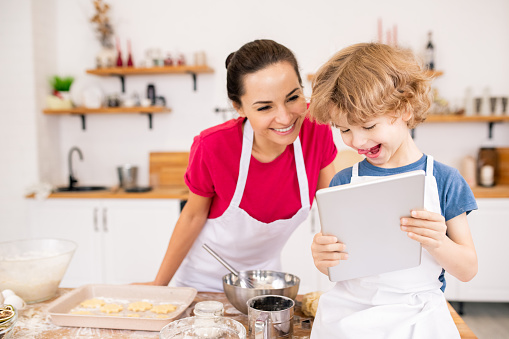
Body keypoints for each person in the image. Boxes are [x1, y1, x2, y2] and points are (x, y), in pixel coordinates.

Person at [308, 43, 478, 338]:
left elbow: (467, 269)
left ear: (404, 109)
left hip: (418, 318)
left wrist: (438, 242)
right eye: (344, 129)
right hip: (350, 317)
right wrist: (323, 259)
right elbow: (338, 268)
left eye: (368, 126)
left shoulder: (444, 180)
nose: (357, 141)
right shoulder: (343, 183)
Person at [141, 39, 338, 292]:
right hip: (202, 284)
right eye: (265, 107)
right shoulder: (212, 146)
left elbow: (331, 205)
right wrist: (159, 285)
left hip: (266, 281)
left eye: (293, 97)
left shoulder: (316, 128)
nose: (285, 117)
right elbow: (192, 216)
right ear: (239, 108)